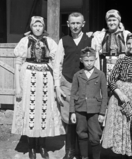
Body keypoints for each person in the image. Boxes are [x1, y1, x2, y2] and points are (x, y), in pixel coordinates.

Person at [11, 16, 65, 159]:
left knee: (44, 111)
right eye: (35, 25)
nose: (38, 28)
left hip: (46, 80)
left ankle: (42, 145)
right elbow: (17, 64)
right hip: (28, 79)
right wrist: (18, 87)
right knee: (30, 111)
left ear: (44, 27)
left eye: (40, 25)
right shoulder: (24, 41)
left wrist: (56, 84)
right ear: (31, 27)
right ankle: (31, 147)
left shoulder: (50, 42)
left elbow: (56, 62)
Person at [54, 12, 98, 159]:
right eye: (72, 23)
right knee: (68, 118)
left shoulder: (90, 40)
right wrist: (57, 86)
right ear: (68, 24)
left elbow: (95, 62)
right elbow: (57, 64)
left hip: (84, 83)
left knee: (82, 117)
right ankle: (70, 150)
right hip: (67, 82)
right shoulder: (64, 41)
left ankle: (82, 152)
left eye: (78, 23)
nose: (75, 26)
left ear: (83, 24)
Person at [69, 47, 108, 159]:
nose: (89, 63)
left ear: (95, 59)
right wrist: (72, 112)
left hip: (95, 110)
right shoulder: (78, 75)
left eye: (91, 60)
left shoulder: (100, 74)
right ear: (81, 60)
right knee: (81, 134)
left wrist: (102, 113)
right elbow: (73, 94)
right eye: (86, 60)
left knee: (95, 136)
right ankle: (84, 157)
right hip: (80, 109)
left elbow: (104, 95)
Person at [91, 9, 130, 80]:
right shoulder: (101, 35)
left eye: (114, 20)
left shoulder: (126, 35)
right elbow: (95, 52)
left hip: (122, 69)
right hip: (105, 68)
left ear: (119, 21)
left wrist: (125, 54)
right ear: (106, 22)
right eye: (109, 20)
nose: (112, 23)